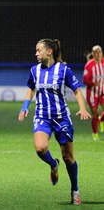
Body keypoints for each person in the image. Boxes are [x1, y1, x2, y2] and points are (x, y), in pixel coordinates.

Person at [18, 39, 91, 205]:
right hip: (42, 117)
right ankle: (53, 165)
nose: (36, 54)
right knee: (40, 148)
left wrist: (83, 108)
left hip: (61, 118)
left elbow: (77, 91)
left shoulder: (63, 70)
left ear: (49, 51)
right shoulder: (34, 70)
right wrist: (24, 107)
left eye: (39, 50)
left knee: (69, 158)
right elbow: (31, 88)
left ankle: (75, 189)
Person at [83, 45, 104, 140]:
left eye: (100, 52)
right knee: (95, 114)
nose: (98, 54)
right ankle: (95, 134)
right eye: (96, 52)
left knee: (99, 115)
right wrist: (93, 83)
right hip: (92, 94)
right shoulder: (89, 65)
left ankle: (101, 120)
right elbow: (85, 80)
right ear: (93, 54)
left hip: (102, 92)